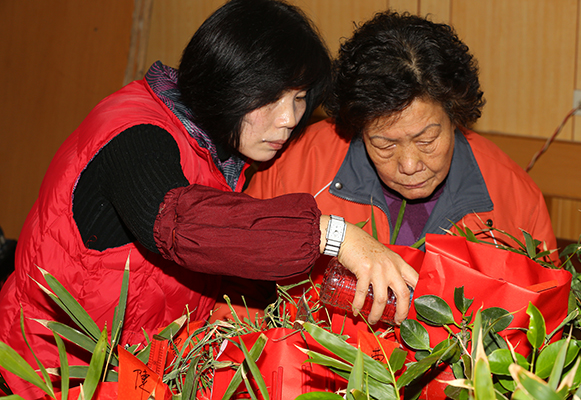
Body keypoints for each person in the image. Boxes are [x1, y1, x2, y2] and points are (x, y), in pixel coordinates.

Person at [0, 1, 418, 398]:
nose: (290, 118)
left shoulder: (218, 150)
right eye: (273, 97)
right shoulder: (136, 133)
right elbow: (183, 224)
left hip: (133, 377)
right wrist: (336, 236)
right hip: (46, 380)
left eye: (299, 99)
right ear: (228, 78)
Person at [245, 11, 557, 317]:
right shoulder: (299, 165)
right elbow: (238, 291)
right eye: (384, 143)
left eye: (426, 140)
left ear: (456, 119)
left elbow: (543, 320)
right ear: (358, 128)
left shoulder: (514, 197)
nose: (408, 165)